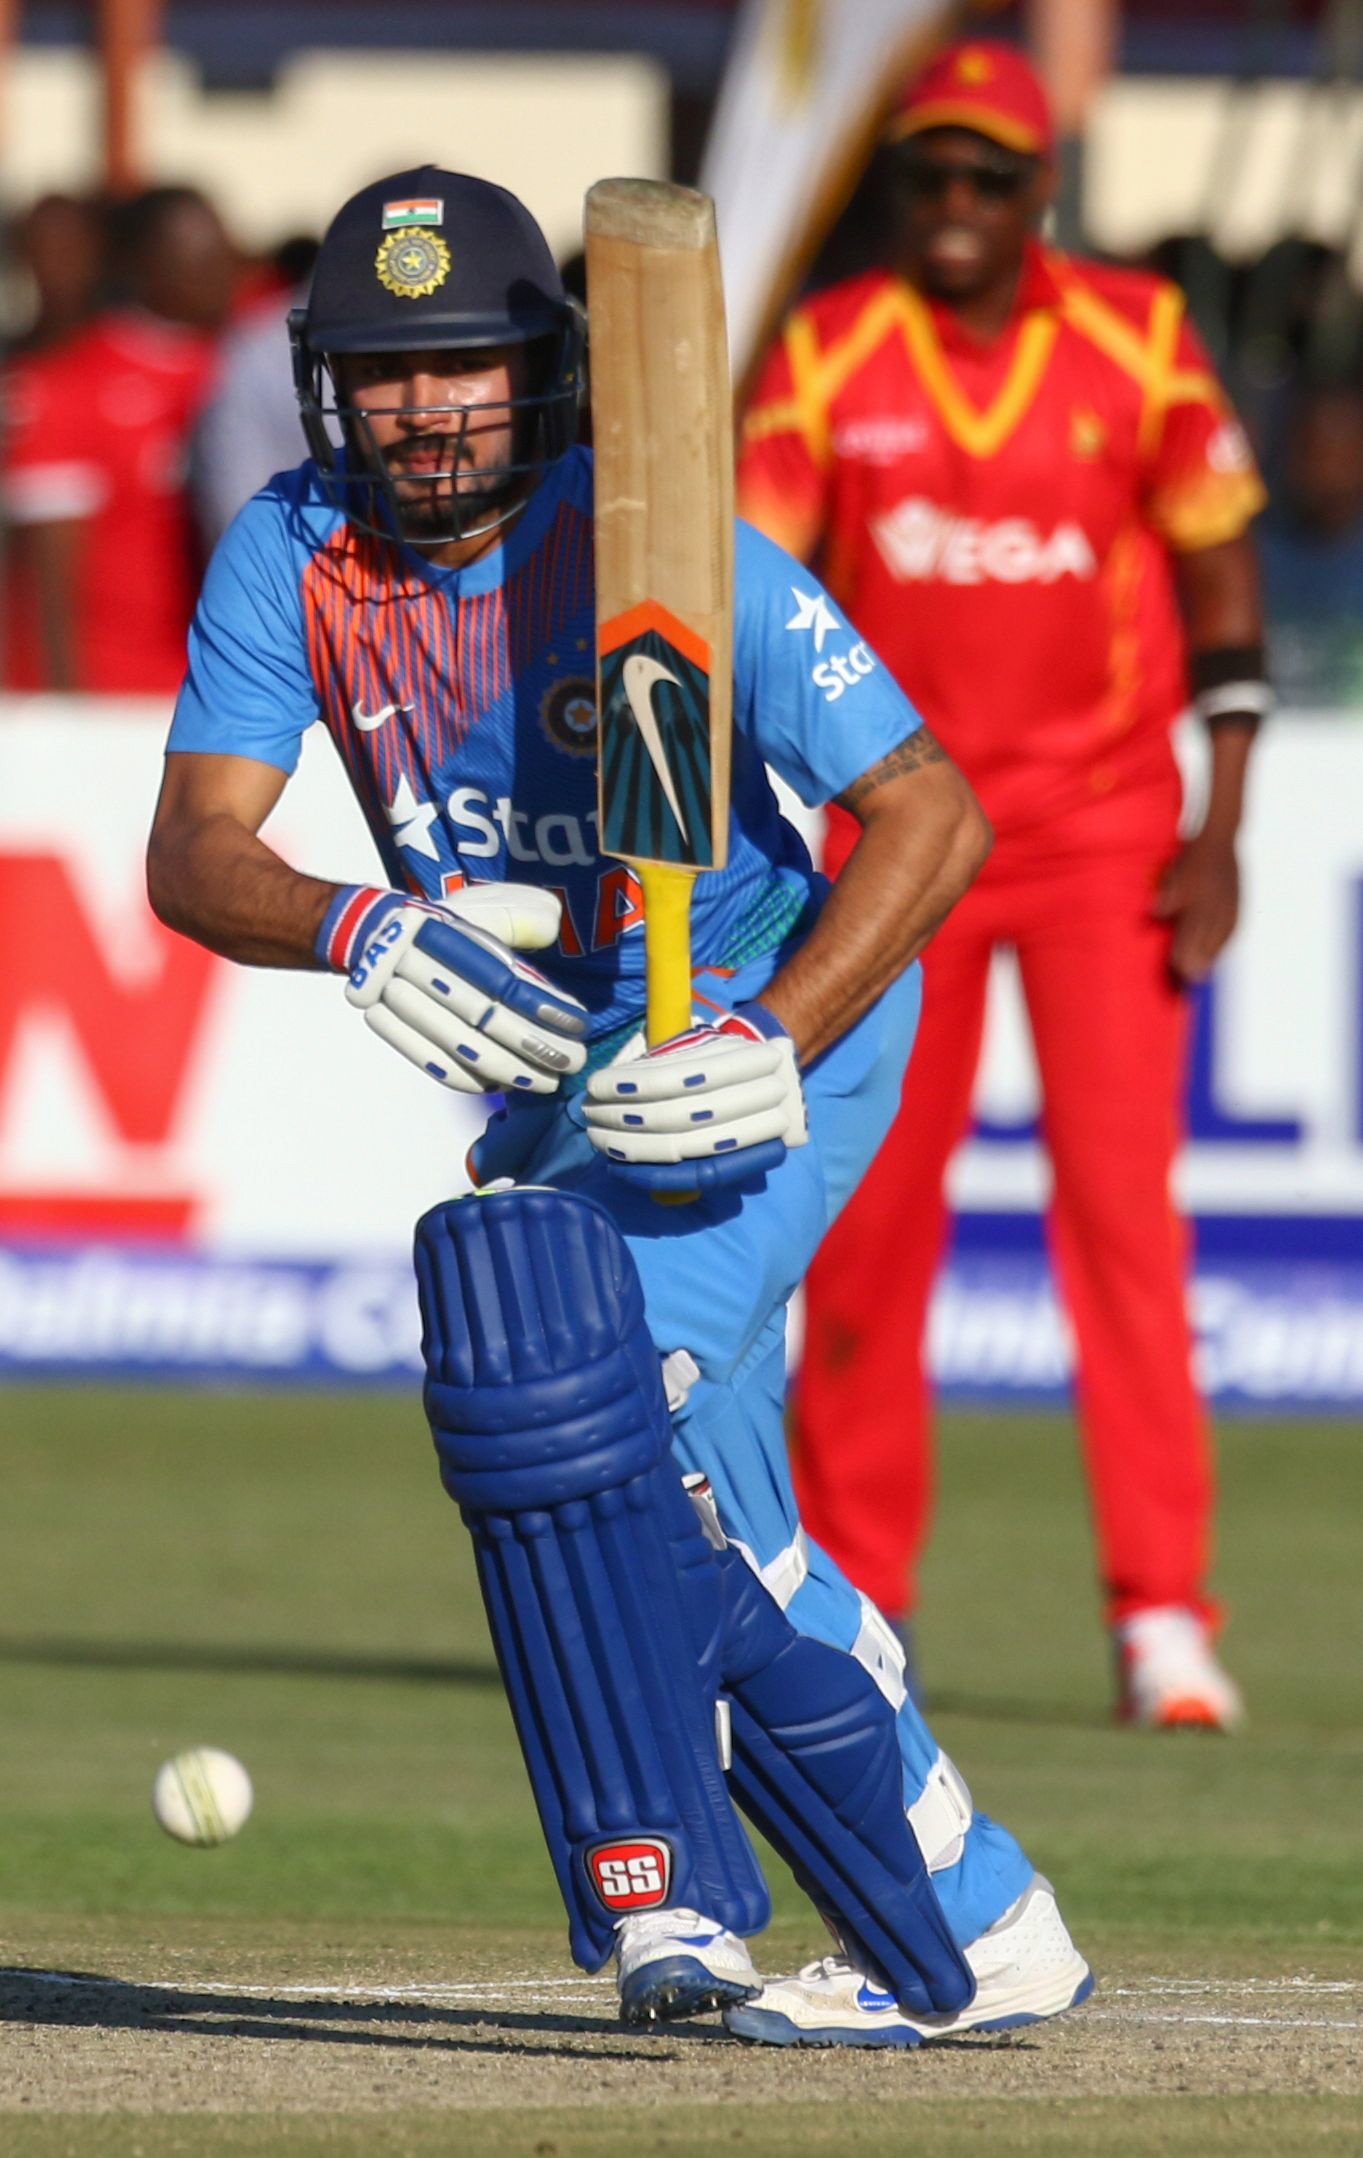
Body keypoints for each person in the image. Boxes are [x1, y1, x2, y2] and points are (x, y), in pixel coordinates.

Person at [145, 165, 1092, 2049]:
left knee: (573, 1419)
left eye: (463, 367)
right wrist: (351, 921)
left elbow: (928, 810)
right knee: (700, 1515)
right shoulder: (295, 548)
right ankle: (781, 1908)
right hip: (565, 1071)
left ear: (542, 368)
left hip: (766, 1028)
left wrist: (768, 1032)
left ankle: (958, 1923)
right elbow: (193, 850)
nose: (422, 410)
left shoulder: (659, 535)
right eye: (382, 373)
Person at [738, 40, 1268, 1731]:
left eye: (983, 178)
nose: (951, 207)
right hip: (898, 841)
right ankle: (857, 1592)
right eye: (924, 177)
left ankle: (1159, 1614)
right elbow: (753, 569)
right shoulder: (829, 350)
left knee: (1121, 1218)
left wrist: (1222, 822)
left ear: (1041, 190)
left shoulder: (1135, 337)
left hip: (1101, 830)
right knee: (868, 1218)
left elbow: (1215, 564)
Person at [2, 185, 235, 692]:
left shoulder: (240, 372)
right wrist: (65, 715)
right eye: (197, 253)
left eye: (224, 252)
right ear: (142, 262)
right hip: (111, 693)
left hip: (215, 692)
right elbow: (47, 588)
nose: (221, 271)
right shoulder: (67, 384)